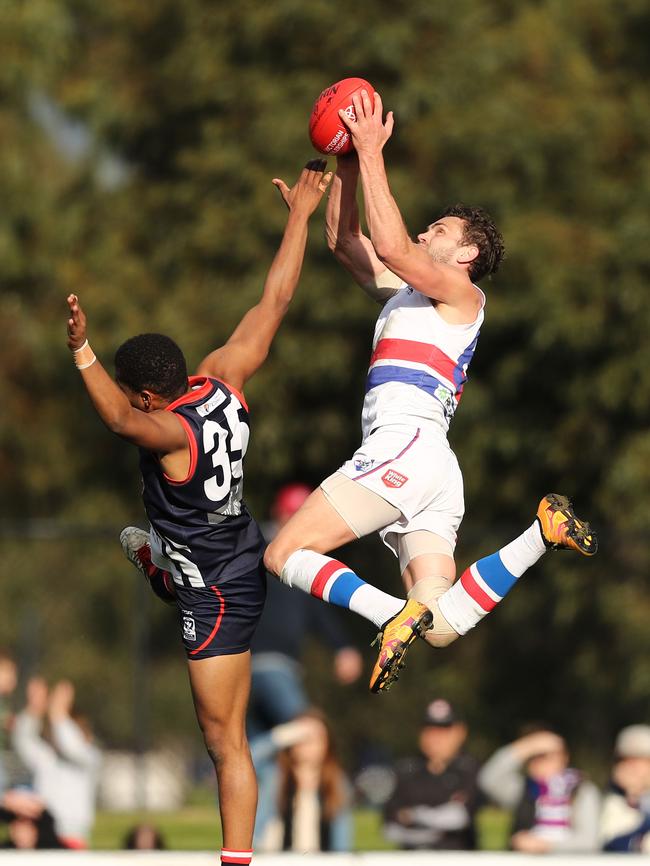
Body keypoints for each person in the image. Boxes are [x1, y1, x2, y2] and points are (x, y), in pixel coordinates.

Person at [263, 88, 598, 693]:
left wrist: (369, 149)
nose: (423, 231)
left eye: (438, 229)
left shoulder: (463, 296)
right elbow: (346, 243)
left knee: (283, 554)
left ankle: (390, 613)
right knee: (440, 627)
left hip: (404, 447)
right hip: (432, 466)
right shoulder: (408, 294)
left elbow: (389, 244)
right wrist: (342, 157)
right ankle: (540, 534)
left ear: (467, 253)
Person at [66, 160, 332, 866]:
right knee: (166, 541)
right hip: (237, 545)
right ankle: (159, 558)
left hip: (211, 588)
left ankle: (236, 862)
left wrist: (82, 350)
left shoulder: (164, 428)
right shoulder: (224, 376)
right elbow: (273, 303)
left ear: (151, 395)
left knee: (224, 741)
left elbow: (121, 423)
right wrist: (300, 216)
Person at [249, 482, 362, 849]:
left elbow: (313, 609)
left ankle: (253, 846)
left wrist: (341, 646)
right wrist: (343, 647)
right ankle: (338, 852)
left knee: (263, 768)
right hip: (272, 668)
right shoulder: (274, 551)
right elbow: (318, 606)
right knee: (318, 748)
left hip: (238, 670)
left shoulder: (264, 550)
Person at [11, 677, 101, 848]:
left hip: (73, 835)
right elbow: (23, 741)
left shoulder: (90, 756)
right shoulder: (47, 758)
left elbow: (72, 746)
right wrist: (33, 710)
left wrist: (58, 712)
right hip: (44, 833)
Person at [478, 727, 601, 853]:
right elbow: (489, 779)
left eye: (546, 756)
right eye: (534, 757)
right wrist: (527, 746)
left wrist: (545, 846)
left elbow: (589, 842)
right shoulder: (524, 789)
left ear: (564, 757)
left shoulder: (582, 790)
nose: (539, 762)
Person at [383, 698, 482, 850]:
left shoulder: (469, 770)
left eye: (443, 730)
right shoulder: (406, 770)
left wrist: (414, 815)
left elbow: (458, 818)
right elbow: (389, 827)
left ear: (460, 732)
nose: (435, 737)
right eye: (430, 729)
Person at [251, 710, 352, 852]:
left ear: (328, 743)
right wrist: (282, 735)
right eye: (302, 737)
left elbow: (341, 839)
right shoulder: (274, 776)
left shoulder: (337, 782)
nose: (308, 742)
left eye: (316, 737)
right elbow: (247, 759)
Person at [600, 724, 650, 852]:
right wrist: (633, 797)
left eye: (640, 760)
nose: (632, 767)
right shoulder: (610, 801)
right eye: (625, 760)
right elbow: (613, 844)